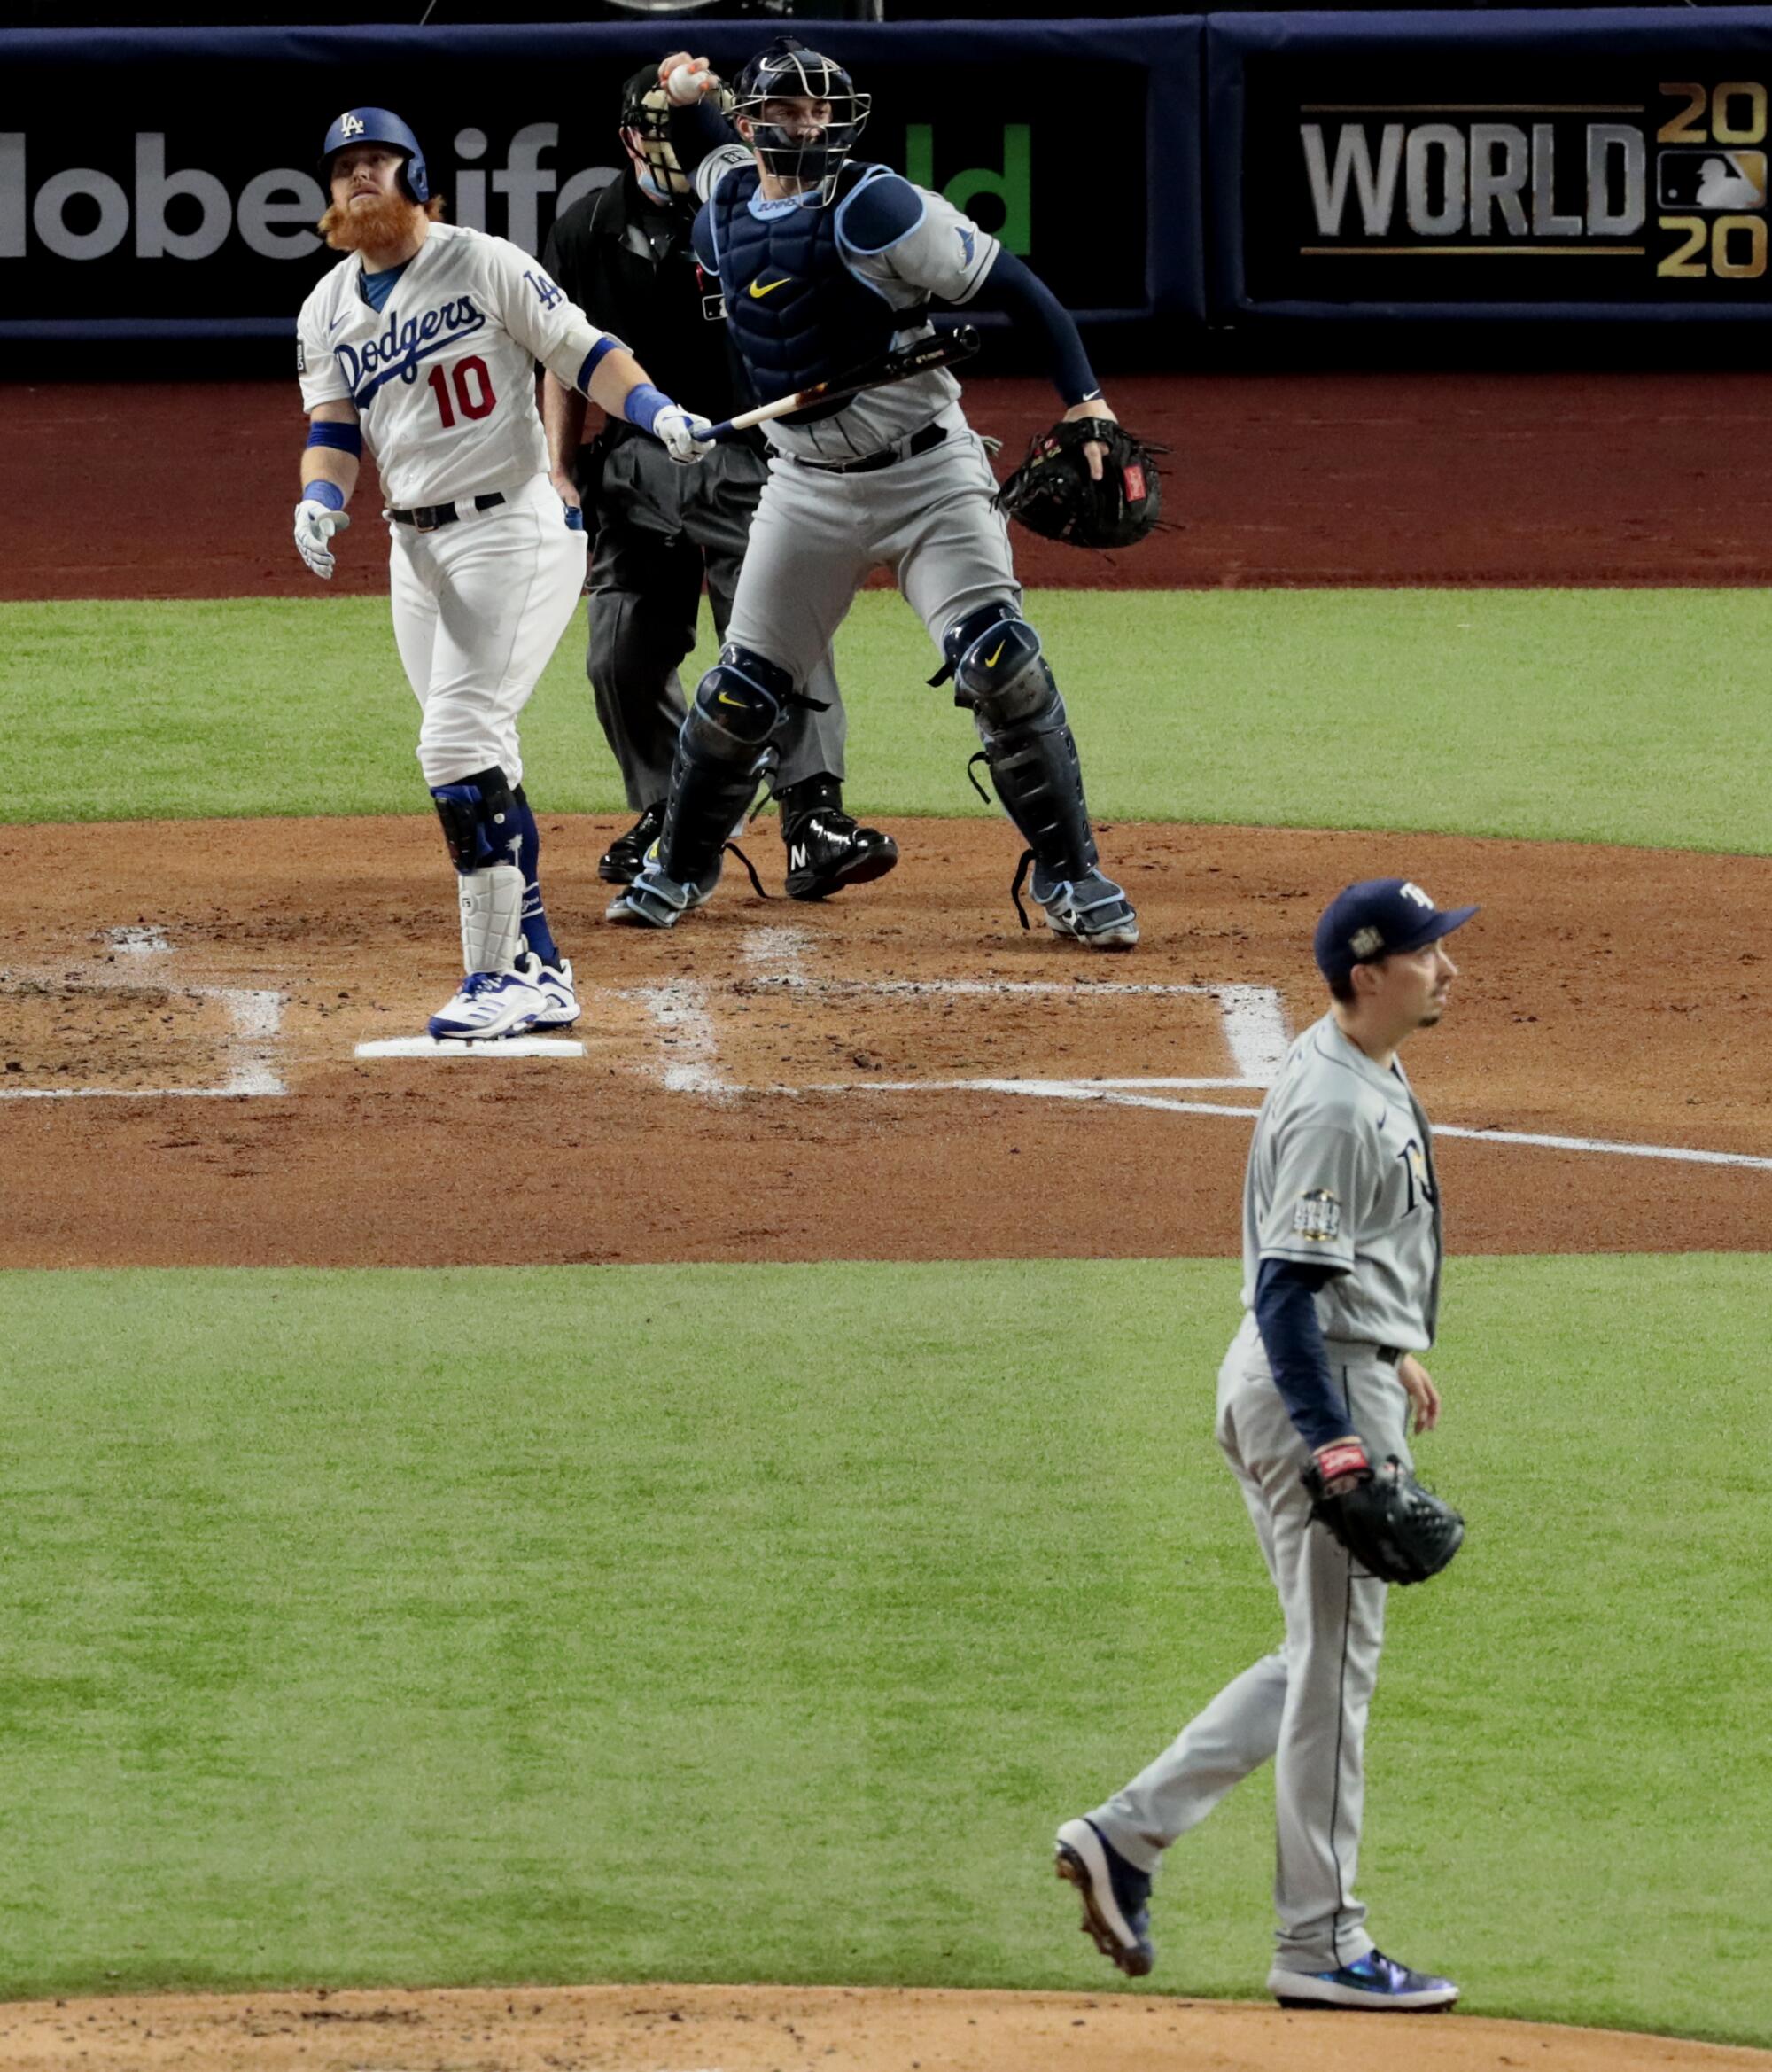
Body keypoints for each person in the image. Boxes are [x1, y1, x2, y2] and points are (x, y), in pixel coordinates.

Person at [603, 38, 1137, 947]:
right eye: (785, 111)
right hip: (805, 488)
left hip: (928, 475)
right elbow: (706, 153)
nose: (805, 125)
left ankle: (1072, 875)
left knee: (1000, 665)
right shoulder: (724, 204)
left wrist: (1084, 400)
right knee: (737, 695)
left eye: (820, 111)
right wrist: (685, 91)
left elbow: (1018, 288)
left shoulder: (877, 205)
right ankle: (678, 868)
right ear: (751, 124)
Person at [1055, 878, 1476, 2011]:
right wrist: (1336, 1440)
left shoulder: (1354, 1060)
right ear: (1367, 972)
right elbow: (1291, 1291)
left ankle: (1124, 1838)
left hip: (1326, 1363)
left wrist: (1390, 1348)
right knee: (1335, 1681)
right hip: (1308, 1383)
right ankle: (1320, 1942)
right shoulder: (1338, 1103)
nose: (1446, 967)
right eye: (1427, 952)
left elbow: (1331, 1266)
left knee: (1315, 1660)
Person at [292, 106, 711, 1040]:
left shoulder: (483, 261)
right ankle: (539, 968)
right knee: (480, 752)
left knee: (453, 743)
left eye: (379, 161)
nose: (360, 177)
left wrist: (653, 408)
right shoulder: (325, 307)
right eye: (343, 166)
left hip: (511, 532)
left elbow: (582, 352)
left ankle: (501, 975)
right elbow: (331, 427)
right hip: (414, 551)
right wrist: (320, 498)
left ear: (417, 175)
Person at [541, 66, 895, 903]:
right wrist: (558, 464)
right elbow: (559, 355)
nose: (674, 143)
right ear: (629, 138)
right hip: (634, 464)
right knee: (618, 655)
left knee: (778, 641)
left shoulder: (753, 209)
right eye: (658, 128)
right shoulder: (589, 225)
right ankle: (675, 809)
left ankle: (812, 818)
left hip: (752, 454)